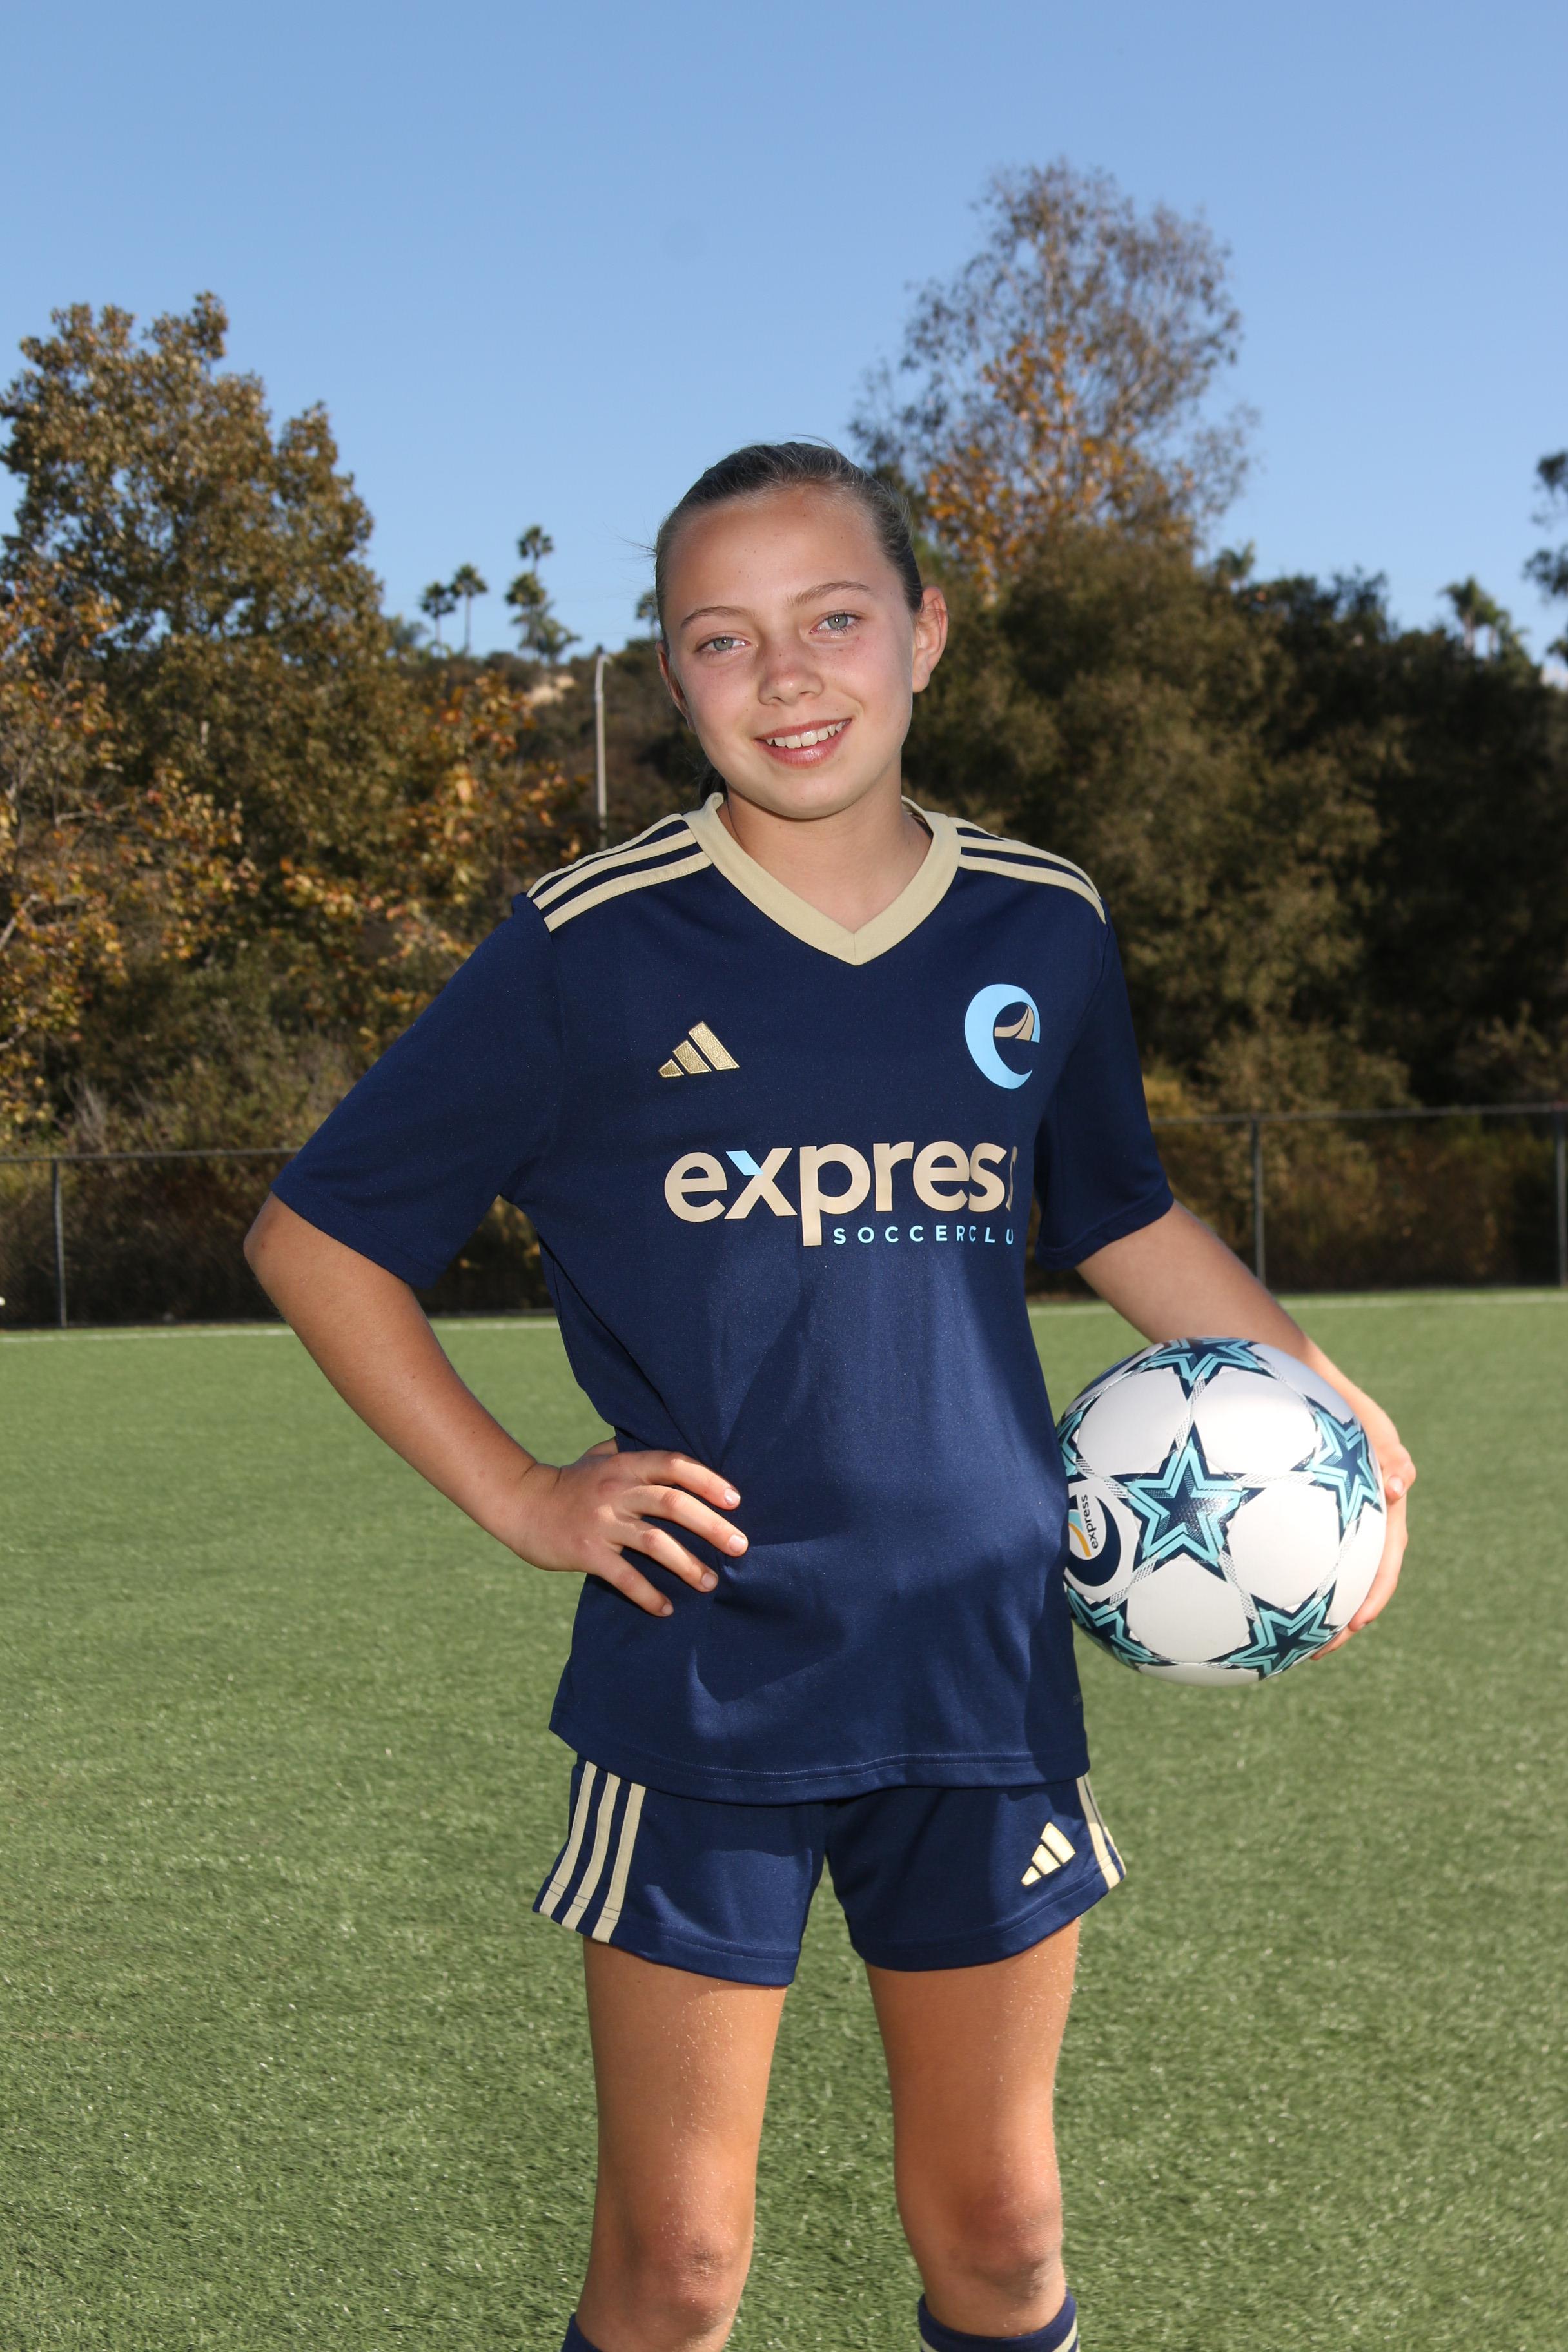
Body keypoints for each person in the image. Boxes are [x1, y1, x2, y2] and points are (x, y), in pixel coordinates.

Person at [245, 442, 1414, 2352]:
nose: (786, 675)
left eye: (835, 618)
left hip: (983, 1664)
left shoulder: (1042, 924)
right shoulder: (591, 946)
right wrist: (525, 1494)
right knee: (682, 2264)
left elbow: (1117, 1209)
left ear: (926, 634)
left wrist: (1327, 1400)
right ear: (672, 676)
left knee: (1004, 2236)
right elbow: (317, 1236)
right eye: (724, 638)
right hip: (709, 1670)